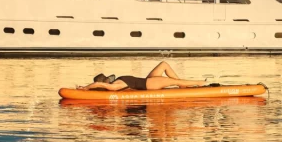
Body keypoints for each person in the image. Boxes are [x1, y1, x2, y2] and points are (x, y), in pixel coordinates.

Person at [77, 61, 207, 91]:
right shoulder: (115, 86)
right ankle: (199, 83)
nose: (107, 79)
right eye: (106, 79)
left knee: (164, 64)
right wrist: (86, 88)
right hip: (148, 85)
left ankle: (182, 86)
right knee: (171, 81)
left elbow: (100, 83)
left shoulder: (116, 81)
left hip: (147, 80)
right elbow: (99, 84)